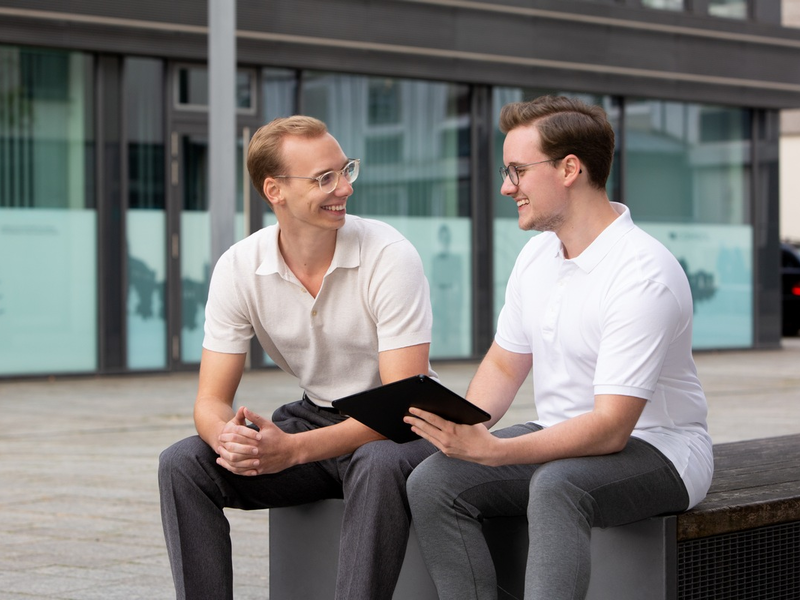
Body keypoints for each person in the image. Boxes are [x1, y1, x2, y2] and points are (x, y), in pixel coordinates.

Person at [405, 96, 714, 600]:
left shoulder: (642, 274)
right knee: (434, 480)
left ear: (569, 168)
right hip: (561, 435)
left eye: (518, 171)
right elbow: (506, 364)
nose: (508, 187)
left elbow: (612, 428)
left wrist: (497, 452)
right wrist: (466, 426)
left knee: (558, 487)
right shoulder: (536, 256)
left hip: (663, 449)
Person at [158, 116, 437, 600]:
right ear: (275, 190)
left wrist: (292, 450)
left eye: (345, 169)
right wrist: (228, 440)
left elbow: (400, 405)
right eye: (324, 178)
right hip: (314, 415)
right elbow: (210, 399)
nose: (345, 188)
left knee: (376, 463)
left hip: (403, 428)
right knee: (183, 463)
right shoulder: (240, 267)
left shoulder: (389, 255)